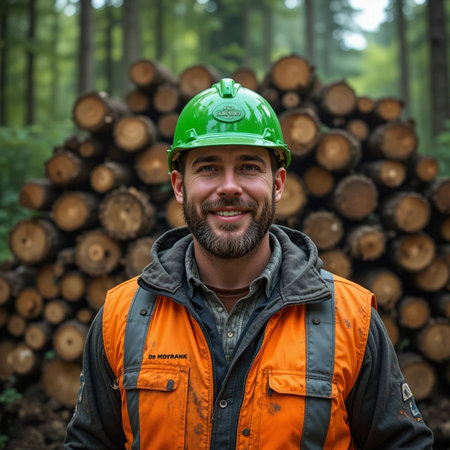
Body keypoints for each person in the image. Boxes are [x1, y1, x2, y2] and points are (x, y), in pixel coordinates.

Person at [64, 78, 434, 449]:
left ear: (277, 184)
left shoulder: (351, 319)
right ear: (179, 186)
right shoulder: (121, 317)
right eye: (208, 168)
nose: (228, 187)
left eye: (248, 167)